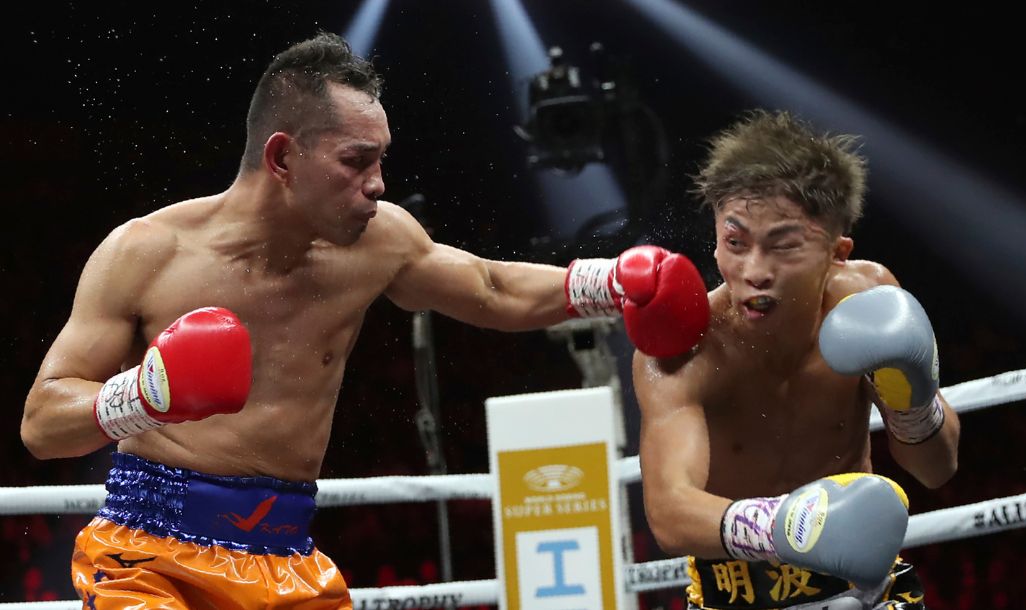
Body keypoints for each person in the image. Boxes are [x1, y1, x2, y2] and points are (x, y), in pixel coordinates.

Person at [20, 33, 711, 609]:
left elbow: (492, 287)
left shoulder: (378, 241)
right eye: (356, 161)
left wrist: (614, 280)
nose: (377, 183)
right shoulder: (147, 253)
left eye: (380, 158)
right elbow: (43, 424)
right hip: (149, 556)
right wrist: (142, 396)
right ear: (283, 157)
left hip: (286, 553)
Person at [633, 110, 961, 610]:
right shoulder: (685, 348)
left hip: (863, 587)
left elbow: (937, 468)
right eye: (735, 242)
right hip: (734, 596)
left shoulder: (867, 301)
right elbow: (669, 513)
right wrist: (790, 528)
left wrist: (913, 405)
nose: (755, 270)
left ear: (837, 253)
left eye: (784, 245)